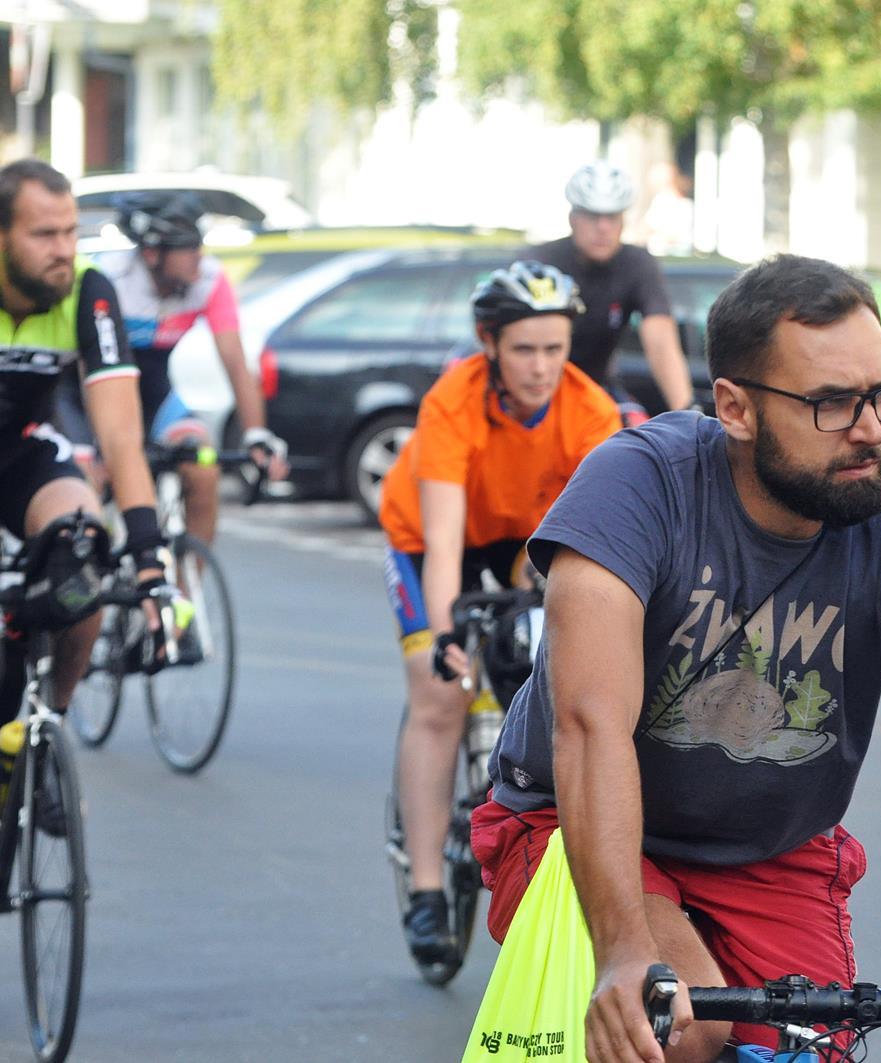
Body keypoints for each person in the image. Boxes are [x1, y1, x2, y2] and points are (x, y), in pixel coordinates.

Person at [470, 254, 881, 1063]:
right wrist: (623, 951)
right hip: (570, 821)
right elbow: (590, 728)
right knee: (680, 1024)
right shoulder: (636, 483)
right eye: (832, 404)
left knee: (808, 1048)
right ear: (735, 408)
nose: (872, 428)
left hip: (770, 848)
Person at [0, 159, 175, 993]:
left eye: (71, 232)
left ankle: (41, 719)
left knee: (83, 556)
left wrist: (150, 559)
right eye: (46, 234)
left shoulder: (88, 291)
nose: (66, 248)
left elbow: (121, 437)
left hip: (21, 454)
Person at [377, 260, 620, 966]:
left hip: (526, 543)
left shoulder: (591, 411)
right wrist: (447, 633)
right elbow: (443, 541)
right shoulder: (452, 401)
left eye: (554, 348)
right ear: (489, 343)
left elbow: (589, 538)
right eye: (523, 350)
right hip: (431, 540)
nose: (541, 367)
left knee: (551, 671)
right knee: (439, 694)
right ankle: (426, 889)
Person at [53, 191, 289, 543]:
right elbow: (87, 365)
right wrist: (105, 448)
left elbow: (237, 364)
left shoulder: (209, 280)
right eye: (188, 248)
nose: (199, 257)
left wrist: (255, 434)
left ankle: (189, 574)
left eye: (199, 245)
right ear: (152, 253)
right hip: (86, 397)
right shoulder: (108, 278)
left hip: (155, 394)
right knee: (88, 481)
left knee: (203, 467)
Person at [529, 161, 696, 422]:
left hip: (598, 388)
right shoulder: (542, 262)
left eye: (613, 217)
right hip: (537, 390)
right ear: (572, 219)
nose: (603, 227)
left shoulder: (637, 264)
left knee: (636, 435)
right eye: (592, 216)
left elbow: (661, 341)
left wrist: (688, 412)